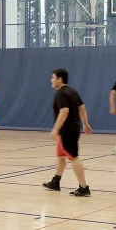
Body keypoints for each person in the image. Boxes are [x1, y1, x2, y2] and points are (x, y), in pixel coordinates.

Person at [42, 68, 93, 196]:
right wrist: (85, 123)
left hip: (67, 130)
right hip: (73, 128)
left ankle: (84, 187)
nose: (51, 80)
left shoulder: (60, 93)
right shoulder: (73, 91)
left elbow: (64, 111)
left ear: (60, 79)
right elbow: (82, 108)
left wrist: (55, 129)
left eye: (53, 77)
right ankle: (56, 181)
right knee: (60, 156)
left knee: (73, 157)